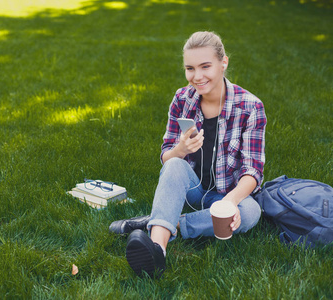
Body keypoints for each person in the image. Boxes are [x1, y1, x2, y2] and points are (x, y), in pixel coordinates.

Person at [110, 31, 266, 278]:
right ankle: (157, 250)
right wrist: (179, 150)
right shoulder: (182, 99)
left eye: (206, 66)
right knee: (174, 165)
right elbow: (166, 159)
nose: (197, 76)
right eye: (190, 68)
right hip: (193, 190)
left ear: (223, 63)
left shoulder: (250, 107)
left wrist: (230, 201)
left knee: (251, 213)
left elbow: (253, 170)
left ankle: (160, 222)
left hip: (227, 195)